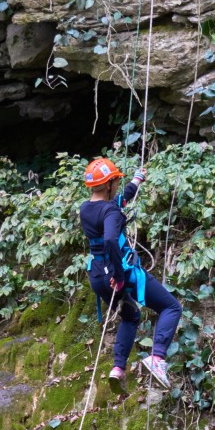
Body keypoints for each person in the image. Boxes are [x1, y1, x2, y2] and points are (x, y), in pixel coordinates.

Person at [79, 156, 182, 392]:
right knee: (171, 307)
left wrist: (136, 180)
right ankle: (157, 358)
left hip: (97, 276)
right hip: (119, 274)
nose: (117, 184)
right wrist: (119, 276)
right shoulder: (111, 212)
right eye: (115, 181)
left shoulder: (86, 208)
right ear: (108, 184)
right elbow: (110, 239)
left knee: (131, 316)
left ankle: (118, 369)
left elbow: (118, 203)